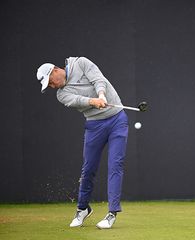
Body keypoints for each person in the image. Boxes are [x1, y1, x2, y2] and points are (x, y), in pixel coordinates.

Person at [36, 57, 129, 229]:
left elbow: (98, 79)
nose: (52, 86)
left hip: (117, 120)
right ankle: (82, 208)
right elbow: (78, 101)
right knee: (88, 169)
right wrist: (94, 101)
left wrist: (101, 94)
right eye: (49, 86)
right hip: (94, 125)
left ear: (55, 70)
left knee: (115, 165)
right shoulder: (61, 95)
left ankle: (112, 213)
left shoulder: (81, 63)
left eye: (50, 82)